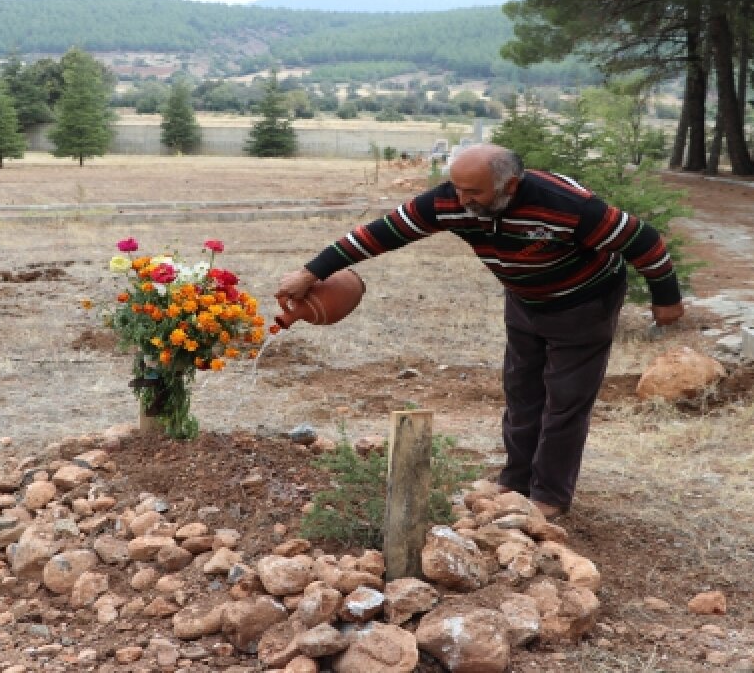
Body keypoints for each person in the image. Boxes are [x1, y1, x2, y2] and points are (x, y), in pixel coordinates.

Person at [277, 144, 685, 519]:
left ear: (509, 185)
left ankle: (549, 496)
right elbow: (381, 233)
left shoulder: (567, 206)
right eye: (457, 188)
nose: (461, 200)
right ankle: (514, 480)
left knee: (565, 400)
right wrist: (313, 271)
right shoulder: (446, 202)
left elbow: (643, 240)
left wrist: (666, 298)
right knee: (522, 390)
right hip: (524, 298)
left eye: (473, 192)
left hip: (584, 302)